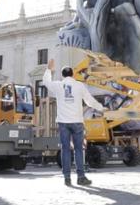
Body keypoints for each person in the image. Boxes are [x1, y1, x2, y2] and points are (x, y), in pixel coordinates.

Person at [43, 58, 105, 186]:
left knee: (65, 150)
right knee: (78, 150)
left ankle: (67, 178)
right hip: (77, 122)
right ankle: (81, 177)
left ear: (62, 75)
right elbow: (89, 101)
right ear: (72, 74)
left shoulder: (58, 85)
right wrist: (101, 108)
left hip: (63, 123)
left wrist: (49, 69)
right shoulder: (79, 85)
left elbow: (46, 82)